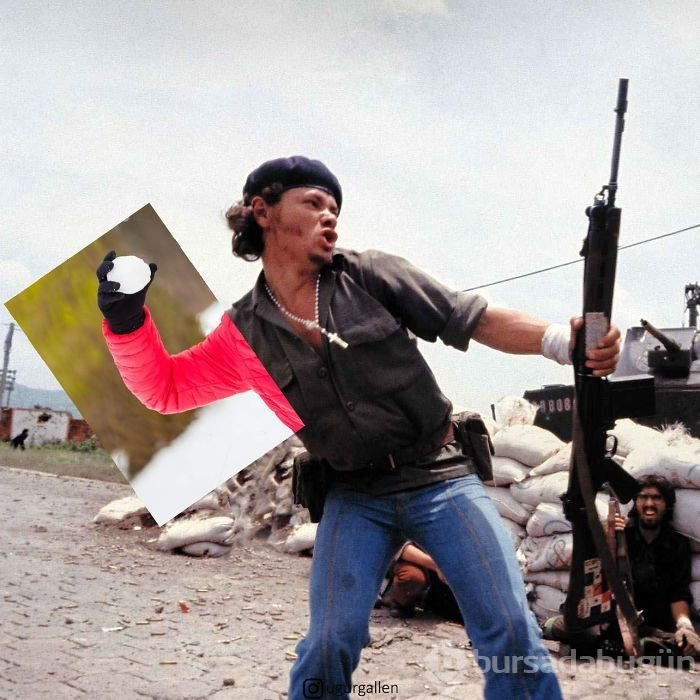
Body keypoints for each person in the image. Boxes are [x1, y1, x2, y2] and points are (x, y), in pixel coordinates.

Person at [97, 155, 623, 699]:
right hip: (354, 496)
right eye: (313, 203)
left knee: (509, 628)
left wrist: (561, 341)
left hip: (438, 478)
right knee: (330, 643)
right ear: (263, 211)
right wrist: (125, 321)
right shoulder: (245, 331)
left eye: (335, 208)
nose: (330, 216)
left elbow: (473, 318)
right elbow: (165, 387)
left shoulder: (370, 275)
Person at [613, 474, 699, 658]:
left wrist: (685, 626)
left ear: (667, 505)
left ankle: (645, 646)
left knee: (688, 644)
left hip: (655, 625)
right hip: (617, 621)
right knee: (575, 629)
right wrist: (608, 536)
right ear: (635, 503)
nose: (649, 504)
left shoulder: (677, 544)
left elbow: (678, 593)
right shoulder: (621, 537)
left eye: (656, 498)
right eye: (643, 497)